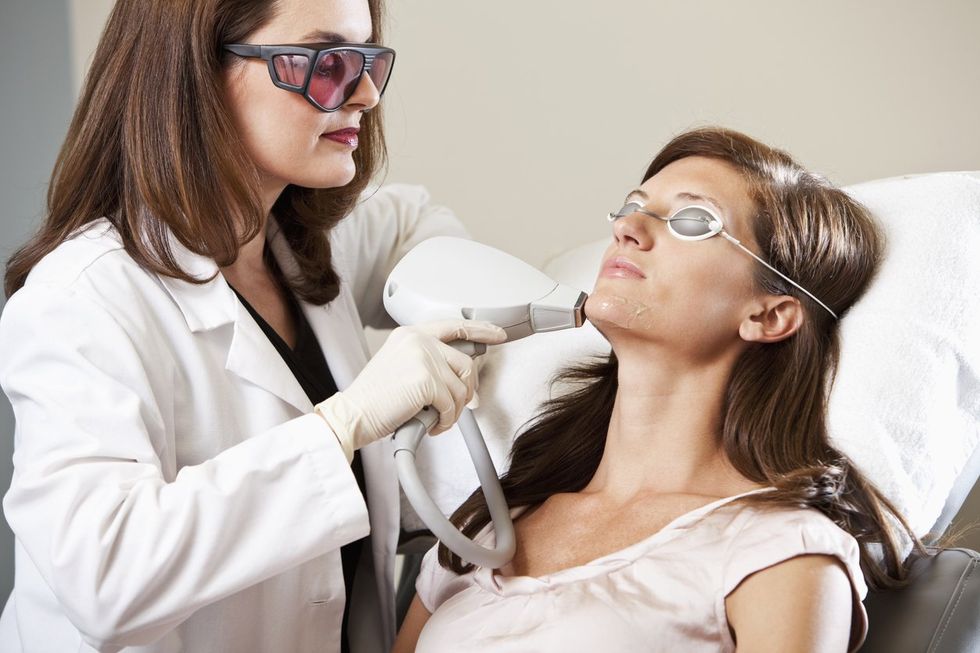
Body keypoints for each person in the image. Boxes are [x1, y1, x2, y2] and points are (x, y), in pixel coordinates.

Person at [0, 0, 505, 651]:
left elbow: (416, 222)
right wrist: (346, 422)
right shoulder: (83, 297)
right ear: (198, 75)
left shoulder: (303, 248)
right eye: (328, 62)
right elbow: (104, 575)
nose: (366, 93)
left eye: (367, 58)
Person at [393, 127, 925, 652]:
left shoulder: (779, 550)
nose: (629, 228)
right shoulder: (486, 529)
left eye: (694, 221)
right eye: (632, 206)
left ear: (768, 314)